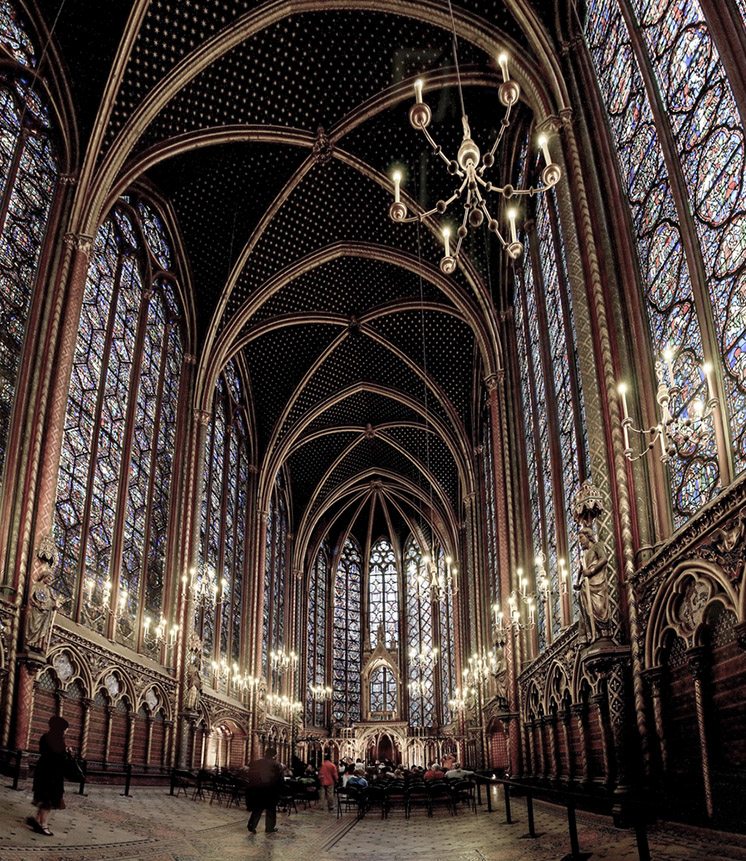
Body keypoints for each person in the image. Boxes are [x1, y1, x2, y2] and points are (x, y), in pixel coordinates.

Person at [28, 715, 68, 836]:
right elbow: (58, 759)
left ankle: (36, 821)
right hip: (52, 775)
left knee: (44, 799)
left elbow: (46, 753)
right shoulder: (57, 740)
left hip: (43, 772)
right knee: (48, 801)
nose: (66, 731)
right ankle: (43, 826)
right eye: (65, 728)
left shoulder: (45, 737)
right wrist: (66, 753)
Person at [246, 746, 285, 835]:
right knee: (271, 810)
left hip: (258, 790)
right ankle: (269, 827)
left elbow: (250, 775)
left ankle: (251, 826)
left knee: (257, 809)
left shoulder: (256, 763)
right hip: (271, 791)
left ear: (265, 753)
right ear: (274, 755)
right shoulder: (277, 765)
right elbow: (280, 780)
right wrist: (280, 791)